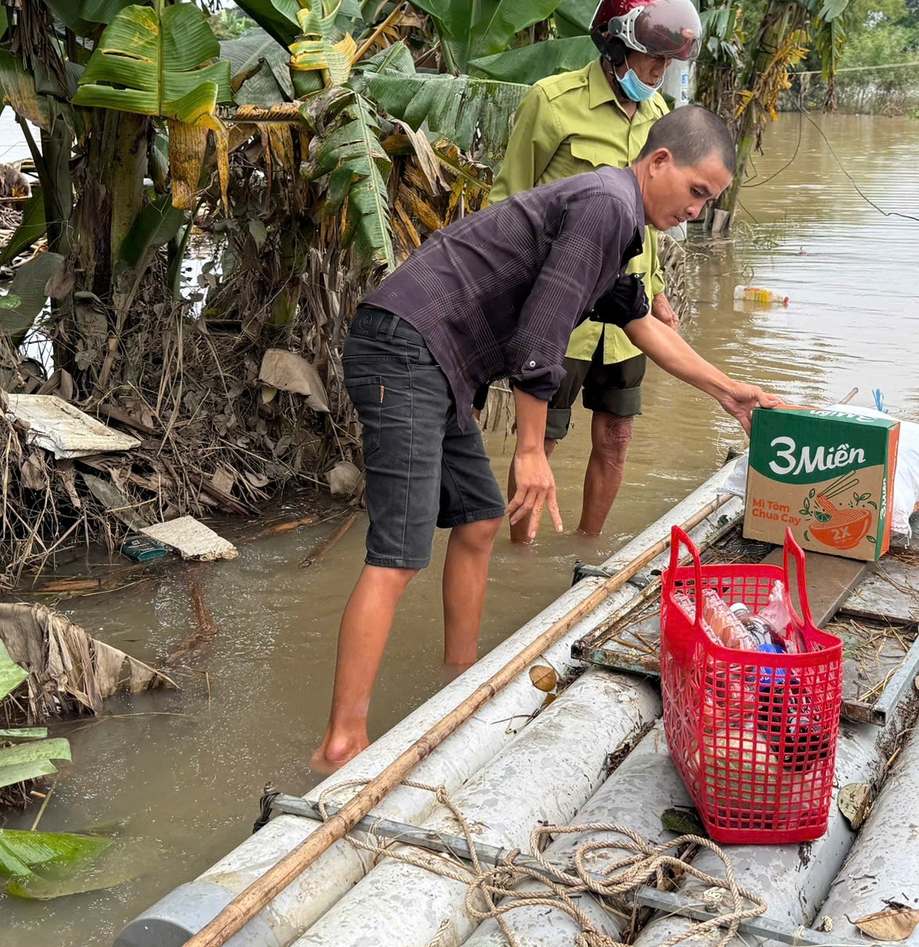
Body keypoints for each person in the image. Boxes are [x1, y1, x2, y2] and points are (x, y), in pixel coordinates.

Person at [311, 105, 776, 772]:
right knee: (399, 554)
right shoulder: (608, 206)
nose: (697, 210)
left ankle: (459, 680)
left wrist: (727, 389)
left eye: (710, 201)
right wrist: (531, 449)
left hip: (436, 361)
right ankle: (341, 743)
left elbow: (641, 324)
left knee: (477, 518)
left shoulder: (614, 221)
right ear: (660, 161)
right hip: (407, 350)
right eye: (697, 192)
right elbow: (540, 339)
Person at [488, 0, 703, 540]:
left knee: (617, 437)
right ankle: (523, 555)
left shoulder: (658, 114)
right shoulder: (552, 103)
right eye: (650, 56)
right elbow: (506, 204)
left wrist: (655, 289)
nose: (658, 71)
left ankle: (586, 555)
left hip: (629, 316)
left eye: (667, 61)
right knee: (543, 440)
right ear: (612, 45)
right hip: (563, 313)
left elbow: (650, 217)